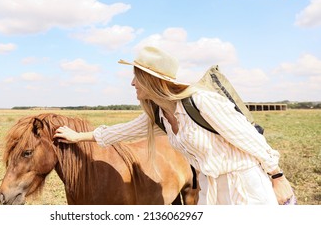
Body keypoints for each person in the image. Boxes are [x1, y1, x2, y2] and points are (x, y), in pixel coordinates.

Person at [54, 46, 294, 205]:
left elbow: (250, 139)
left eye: (136, 77)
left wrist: (278, 177)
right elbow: (120, 132)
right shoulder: (159, 114)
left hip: (243, 185)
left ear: (151, 80)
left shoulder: (201, 102)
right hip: (209, 189)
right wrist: (77, 137)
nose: (131, 83)